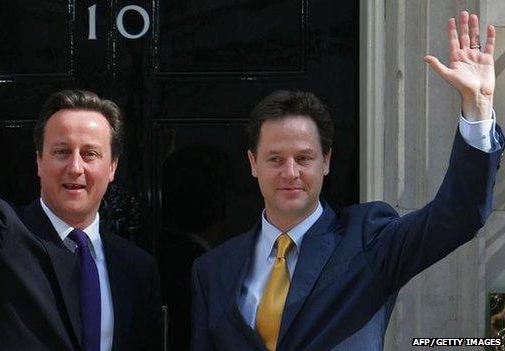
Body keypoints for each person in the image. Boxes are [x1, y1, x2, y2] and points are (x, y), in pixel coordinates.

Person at [191, 11, 504, 351]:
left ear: (326, 161)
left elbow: (457, 217)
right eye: (275, 160)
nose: (291, 173)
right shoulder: (213, 269)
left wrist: (477, 108)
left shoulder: (367, 242)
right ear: (253, 163)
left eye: (304, 158)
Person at [0, 38, 161, 350]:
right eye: (61, 152)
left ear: (112, 167)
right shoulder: (0, 236)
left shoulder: (137, 269)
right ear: (39, 161)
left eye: (90, 154)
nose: (75, 167)